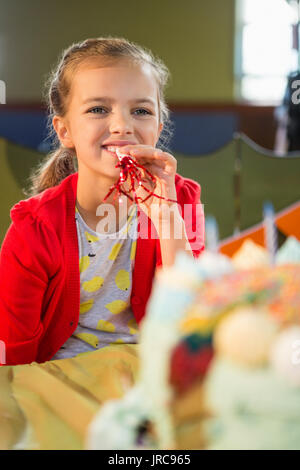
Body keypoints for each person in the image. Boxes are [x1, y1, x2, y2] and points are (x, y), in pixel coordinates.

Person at [0, 37, 205, 366]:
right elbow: (12, 354)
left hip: (152, 372)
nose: (123, 125)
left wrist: (167, 218)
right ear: (64, 130)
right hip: (62, 378)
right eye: (98, 109)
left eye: (141, 111)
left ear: (158, 128)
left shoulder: (181, 200)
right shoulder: (33, 228)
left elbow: (195, 322)